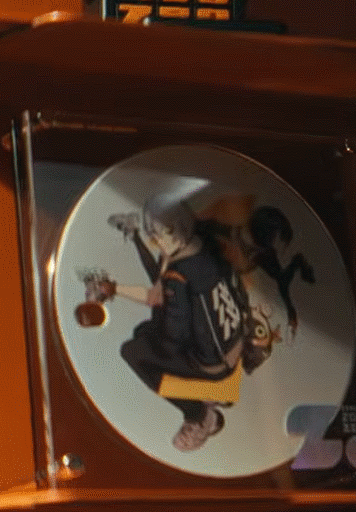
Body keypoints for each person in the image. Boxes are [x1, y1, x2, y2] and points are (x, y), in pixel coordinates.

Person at [103, 194, 250, 452]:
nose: (158, 241)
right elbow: (161, 291)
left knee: (133, 351)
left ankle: (198, 415)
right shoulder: (205, 247)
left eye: (163, 233)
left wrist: (154, 335)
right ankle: (133, 234)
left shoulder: (177, 274)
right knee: (146, 330)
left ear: (179, 227)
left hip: (212, 366)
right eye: (153, 235)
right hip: (233, 345)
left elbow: (172, 332)